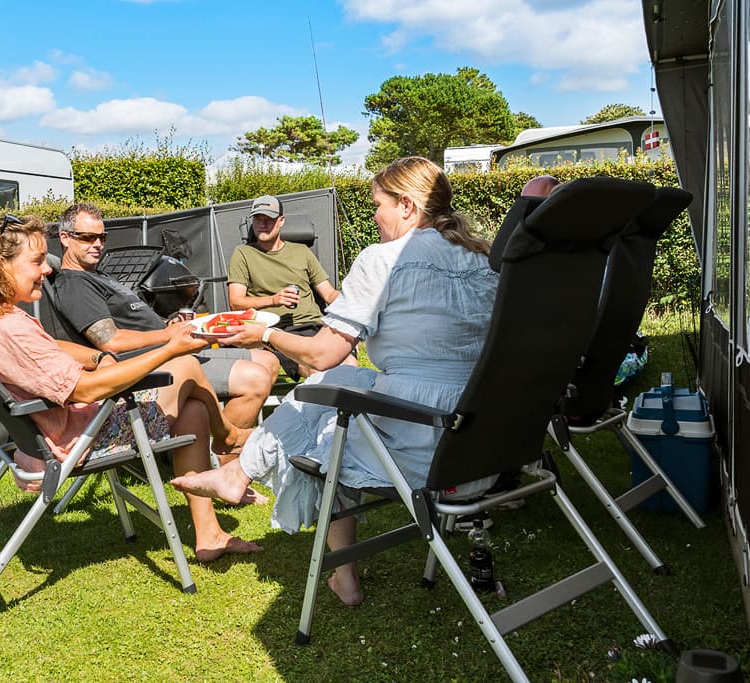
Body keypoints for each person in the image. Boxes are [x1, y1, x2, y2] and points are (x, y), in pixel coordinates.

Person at [171, 157, 500, 604]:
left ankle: (240, 473)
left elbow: (326, 350)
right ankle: (241, 474)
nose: (375, 219)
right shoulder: (484, 260)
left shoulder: (386, 259)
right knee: (337, 391)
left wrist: (264, 333)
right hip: (482, 435)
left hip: (422, 437)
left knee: (330, 423)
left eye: (377, 207)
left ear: (406, 206)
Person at [0, 213, 262, 563]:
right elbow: (87, 391)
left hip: (62, 430)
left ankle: (210, 535)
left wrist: (97, 358)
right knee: (185, 367)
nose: (46, 270)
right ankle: (229, 437)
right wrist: (170, 349)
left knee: (194, 410)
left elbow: (52, 346)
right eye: (36, 261)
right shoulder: (9, 330)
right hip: (80, 438)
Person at [50, 202, 279, 434]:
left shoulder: (99, 276)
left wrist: (168, 325)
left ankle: (214, 445)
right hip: (151, 365)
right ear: (65, 237)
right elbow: (111, 342)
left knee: (269, 361)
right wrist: (168, 334)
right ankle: (228, 453)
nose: (98, 244)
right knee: (255, 379)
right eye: (88, 238)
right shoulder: (74, 284)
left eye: (102, 237)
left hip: (171, 350)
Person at [227, 195, 355, 379]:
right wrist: (273, 300)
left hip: (315, 326)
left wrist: (356, 305)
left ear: (281, 221)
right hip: (278, 331)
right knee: (317, 371)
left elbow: (329, 294)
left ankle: (346, 408)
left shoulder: (302, 251)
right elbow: (236, 302)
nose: (262, 224)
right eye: (257, 219)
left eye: (268, 219)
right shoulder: (244, 253)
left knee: (349, 366)